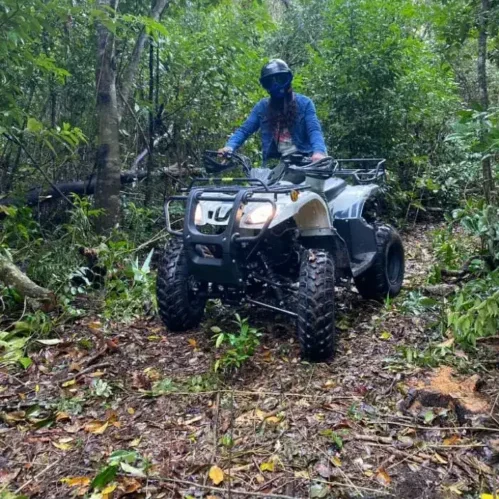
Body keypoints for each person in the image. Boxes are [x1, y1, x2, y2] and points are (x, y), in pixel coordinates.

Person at [218, 59, 327, 165]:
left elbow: (314, 130)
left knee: (316, 179)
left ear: (288, 79)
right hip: (274, 165)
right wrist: (229, 147)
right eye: (270, 82)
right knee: (258, 182)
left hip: (304, 162)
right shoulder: (262, 107)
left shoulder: (305, 103)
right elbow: (244, 130)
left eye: (280, 79)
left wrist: (319, 152)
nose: (275, 85)